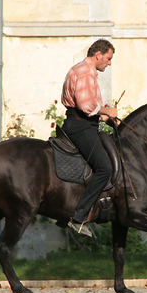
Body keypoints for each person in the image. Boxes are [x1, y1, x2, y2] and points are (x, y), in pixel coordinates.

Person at [60, 39, 118, 238]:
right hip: (81, 126)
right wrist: (107, 110)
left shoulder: (85, 71)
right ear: (98, 55)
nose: (109, 63)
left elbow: (90, 109)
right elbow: (86, 107)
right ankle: (78, 218)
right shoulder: (85, 72)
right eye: (108, 59)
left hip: (84, 123)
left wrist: (107, 116)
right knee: (105, 168)